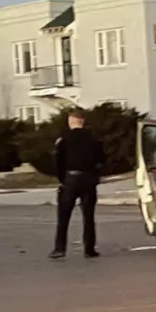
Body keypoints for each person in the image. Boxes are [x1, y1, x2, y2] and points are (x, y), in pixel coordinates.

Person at [50, 110, 106, 259]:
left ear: (71, 121)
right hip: (88, 179)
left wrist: (62, 179)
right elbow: (102, 160)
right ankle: (89, 249)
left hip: (70, 179)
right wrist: (95, 175)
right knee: (88, 216)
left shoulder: (64, 139)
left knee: (63, 216)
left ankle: (59, 248)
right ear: (83, 122)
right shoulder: (94, 139)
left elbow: (58, 161)